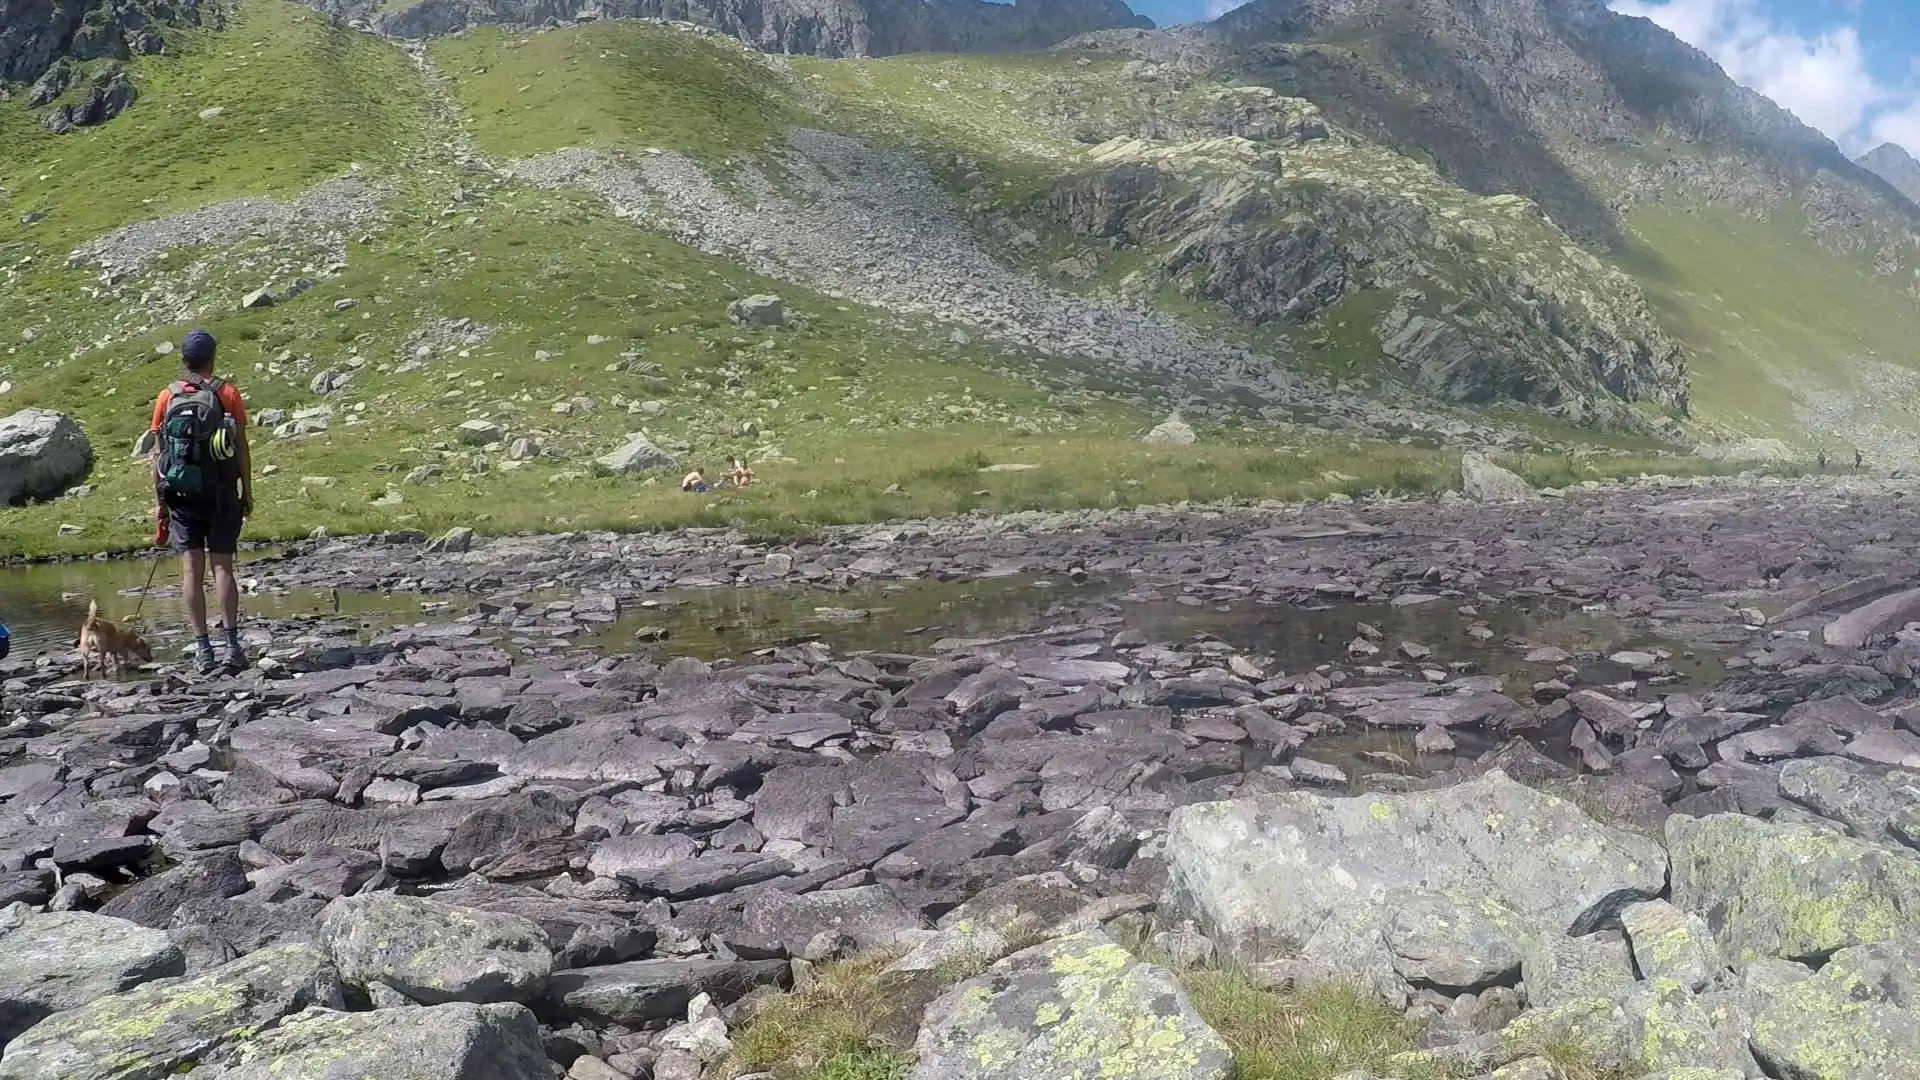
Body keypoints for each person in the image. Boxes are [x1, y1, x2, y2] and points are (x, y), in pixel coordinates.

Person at [150, 329, 252, 675]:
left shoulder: (167, 396)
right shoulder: (227, 392)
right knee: (222, 567)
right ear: (213, 357)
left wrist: (160, 503)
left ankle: (203, 648)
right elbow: (240, 447)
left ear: (184, 360)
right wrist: (246, 491)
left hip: (180, 495)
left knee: (191, 570)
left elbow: (159, 454)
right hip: (221, 492)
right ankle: (232, 646)